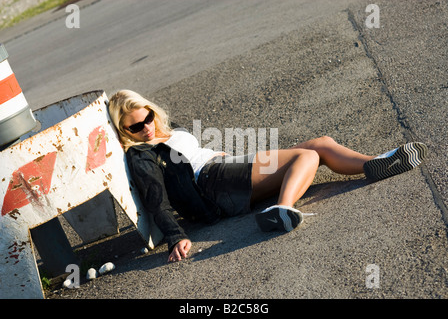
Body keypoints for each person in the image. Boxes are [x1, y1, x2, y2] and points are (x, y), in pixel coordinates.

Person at [108, 89, 428, 263]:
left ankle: (377, 162)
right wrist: (175, 236)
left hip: (223, 169)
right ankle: (281, 208)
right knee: (307, 157)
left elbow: (189, 154)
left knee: (321, 144)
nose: (146, 127)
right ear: (125, 130)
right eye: (136, 126)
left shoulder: (164, 132)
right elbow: (154, 197)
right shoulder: (141, 154)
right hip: (212, 184)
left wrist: (215, 154)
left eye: (147, 117)